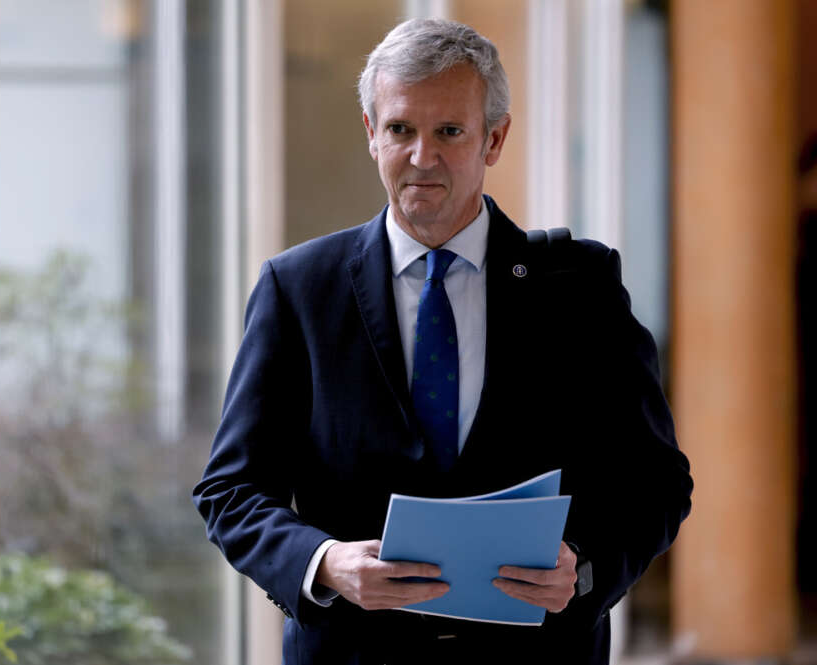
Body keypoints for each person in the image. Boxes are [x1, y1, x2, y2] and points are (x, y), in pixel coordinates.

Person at [193, 17, 692, 664]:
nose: (421, 156)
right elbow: (231, 490)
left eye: (449, 131)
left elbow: (654, 480)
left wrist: (588, 567)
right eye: (400, 128)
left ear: (494, 138)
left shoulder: (581, 288)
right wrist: (324, 561)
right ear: (372, 133)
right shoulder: (299, 290)